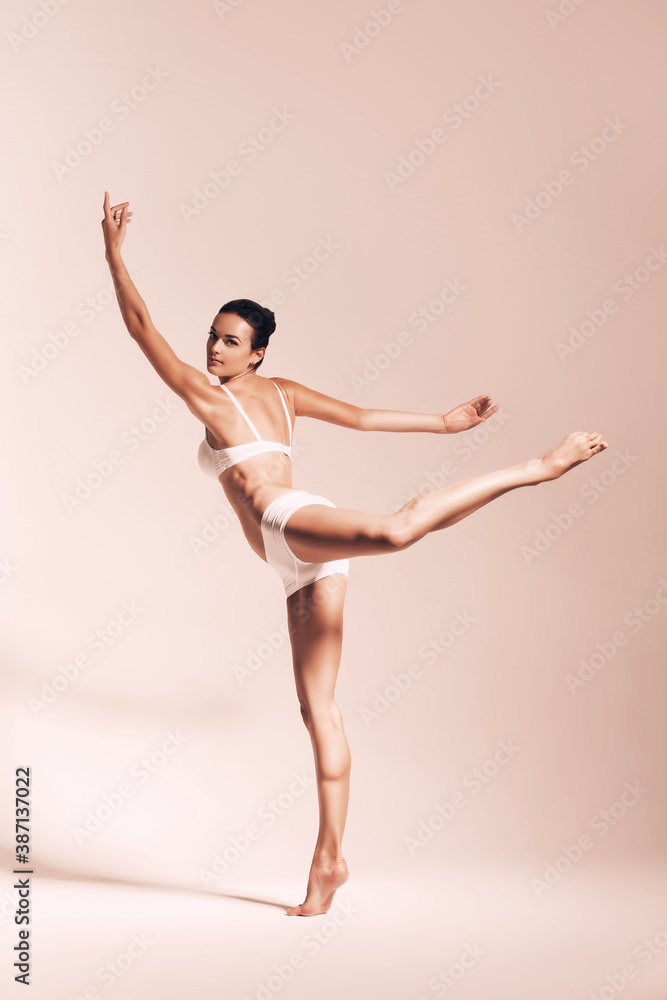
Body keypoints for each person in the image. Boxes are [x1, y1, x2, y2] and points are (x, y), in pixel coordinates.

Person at [101, 192, 608, 916]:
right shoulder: (273, 391)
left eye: (229, 341)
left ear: (259, 352)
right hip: (292, 561)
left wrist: (114, 253)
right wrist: (440, 421)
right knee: (319, 711)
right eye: (211, 337)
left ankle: (540, 467)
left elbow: (139, 326)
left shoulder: (212, 398)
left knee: (398, 529)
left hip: (288, 518)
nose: (212, 350)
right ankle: (330, 861)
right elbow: (365, 417)